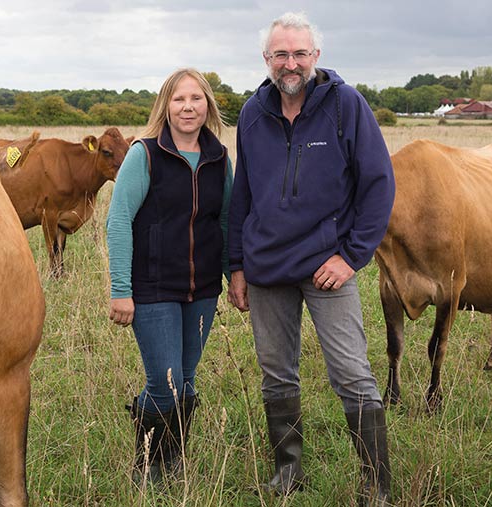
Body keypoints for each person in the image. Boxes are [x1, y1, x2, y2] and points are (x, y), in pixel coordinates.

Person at [227, 12, 395, 506]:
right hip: (266, 269)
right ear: (267, 60)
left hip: (328, 268)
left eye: (300, 53)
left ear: (316, 57)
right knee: (276, 371)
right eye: (281, 54)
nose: (291, 62)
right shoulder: (252, 114)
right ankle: (287, 471)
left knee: (351, 372)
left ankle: (375, 484)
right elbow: (242, 198)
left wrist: (351, 257)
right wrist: (236, 265)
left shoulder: (346, 106)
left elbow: (378, 186)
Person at [106, 68, 233, 487]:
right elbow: (119, 220)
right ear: (166, 105)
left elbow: (228, 219)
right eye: (179, 99)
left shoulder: (218, 158)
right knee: (165, 383)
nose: (188, 107)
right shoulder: (144, 154)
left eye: (196, 99)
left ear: (208, 106)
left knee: (187, 381)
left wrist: (236, 273)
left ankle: (174, 459)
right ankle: (147, 467)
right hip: (153, 287)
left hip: (203, 290)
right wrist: (121, 290)